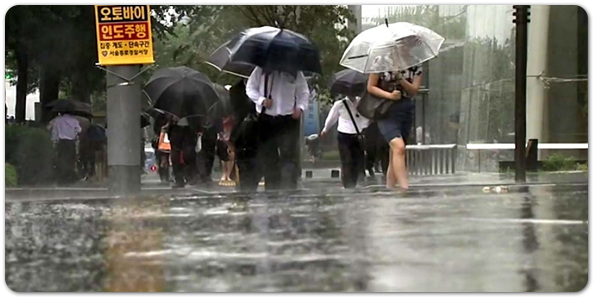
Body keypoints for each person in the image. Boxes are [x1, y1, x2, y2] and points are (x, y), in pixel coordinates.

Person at [246, 66, 310, 191]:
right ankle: (272, 190)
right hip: (266, 119)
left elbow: (303, 92)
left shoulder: (295, 72)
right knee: (269, 157)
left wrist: (300, 107)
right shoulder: (261, 70)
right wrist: (261, 100)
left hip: (288, 119)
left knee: (289, 156)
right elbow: (250, 88)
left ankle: (289, 189)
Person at [367, 62, 422, 190]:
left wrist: (400, 79)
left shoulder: (416, 63)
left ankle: (390, 189)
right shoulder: (381, 61)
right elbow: (371, 87)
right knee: (399, 147)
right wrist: (389, 95)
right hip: (386, 110)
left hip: (405, 110)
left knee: (395, 153)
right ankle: (404, 188)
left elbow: (414, 90)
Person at [320, 96, 370, 188]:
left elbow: (367, 117)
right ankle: (347, 184)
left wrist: (364, 125)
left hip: (357, 135)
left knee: (357, 160)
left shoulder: (362, 102)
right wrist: (325, 129)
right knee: (346, 160)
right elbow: (332, 118)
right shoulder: (339, 104)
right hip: (344, 134)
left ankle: (353, 182)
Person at [47, 112, 82, 184]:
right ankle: (70, 178)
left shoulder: (57, 120)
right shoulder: (74, 120)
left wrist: (54, 141)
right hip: (71, 142)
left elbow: (54, 132)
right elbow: (79, 130)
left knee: (61, 160)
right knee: (71, 160)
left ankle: (62, 178)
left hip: (62, 142)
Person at [167, 116, 199, 188]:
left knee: (188, 154)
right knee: (175, 156)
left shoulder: (191, 109)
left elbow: (197, 118)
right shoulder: (173, 108)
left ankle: (190, 177)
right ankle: (179, 180)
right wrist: (172, 119)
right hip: (176, 130)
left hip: (189, 130)